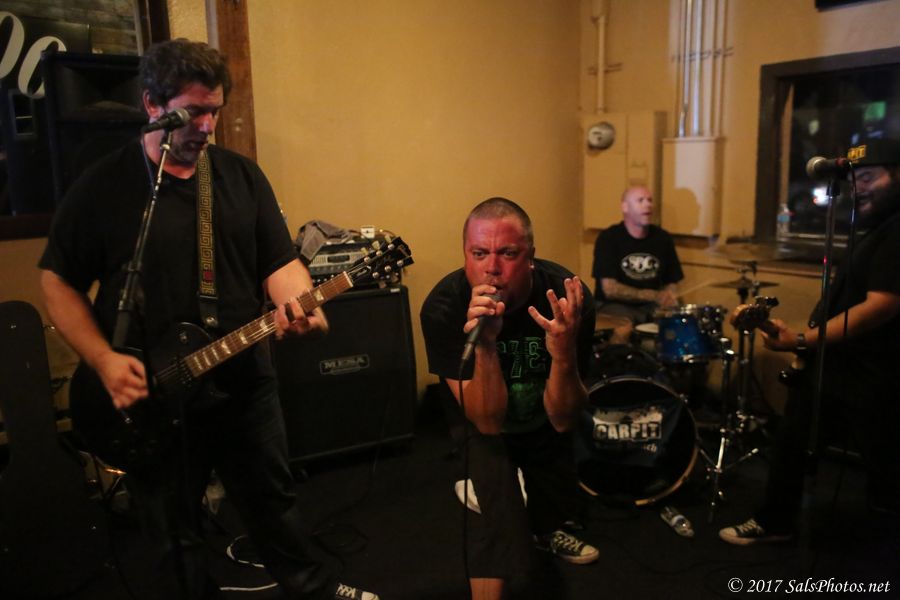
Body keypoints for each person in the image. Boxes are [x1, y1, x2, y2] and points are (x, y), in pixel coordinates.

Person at [39, 39, 378, 600]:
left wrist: (301, 305)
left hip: (242, 379)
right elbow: (57, 281)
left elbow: (278, 262)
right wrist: (101, 359)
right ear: (153, 104)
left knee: (273, 502)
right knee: (172, 531)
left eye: (215, 110)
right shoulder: (105, 185)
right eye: (194, 112)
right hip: (153, 393)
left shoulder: (240, 177)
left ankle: (313, 590)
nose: (207, 126)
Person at [719, 138, 900, 545]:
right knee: (794, 439)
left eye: (870, 177)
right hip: (839, 366)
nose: (858, 188)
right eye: (855, 180)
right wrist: (800, 339)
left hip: (873, 373)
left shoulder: (896, 230)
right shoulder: (876, 230)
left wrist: (804, 338)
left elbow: (882, 305)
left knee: (884, 461)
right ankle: (776, 521)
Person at [420, 197, 598, 600]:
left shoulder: (566, 298)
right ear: (465, 255)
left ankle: (547, 531)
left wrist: (563, 353)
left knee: (554, 503)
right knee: (495, 516)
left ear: (530, 257)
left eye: (508, 253)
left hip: (544, 414)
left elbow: (564, 418)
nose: (492, 268)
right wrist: (485, 344)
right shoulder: (445, 306)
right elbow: (486, 422)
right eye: (479, 253)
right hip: (479, 421)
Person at [591, 185, 683, 344]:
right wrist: (654, 295)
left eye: (650, 200)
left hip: (652, 307)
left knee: (679, 327)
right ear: (625, 207)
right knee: (623, 329)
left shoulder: (663, 238)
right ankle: (617, 359)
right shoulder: (609, 238)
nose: (648, 204)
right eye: (640, 200)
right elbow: (609, 289)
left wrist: (670, 297)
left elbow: (671, 281)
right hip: (615, 306)